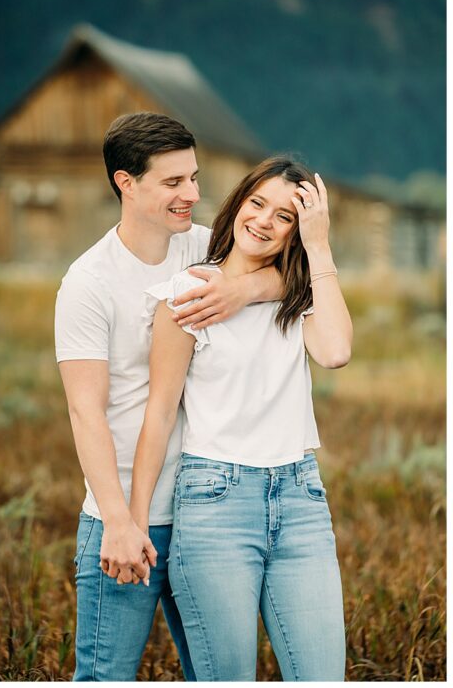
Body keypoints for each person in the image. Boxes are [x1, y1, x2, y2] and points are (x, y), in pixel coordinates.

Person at [54, 112, 284, 681]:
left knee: (220, 677)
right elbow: (86, 412)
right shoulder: (88, 283)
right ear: (125, 183)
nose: (194, 195)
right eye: (174, 182)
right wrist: (118, 521)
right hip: (128, 520)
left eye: (195, 178)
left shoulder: (205, 246)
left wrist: (245, 286)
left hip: (208, 514)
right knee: (105, 677)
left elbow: (292, 273)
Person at [129, 157, 351, 680]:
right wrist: (137, 519)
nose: (264, 221)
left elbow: (337, 351)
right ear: (237, 204)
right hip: (216, 507)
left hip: (301, 502)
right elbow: (159, 413)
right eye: (257, 203)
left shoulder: (297, 296)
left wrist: (318, 247)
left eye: (284, 217)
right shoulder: (186, 294)